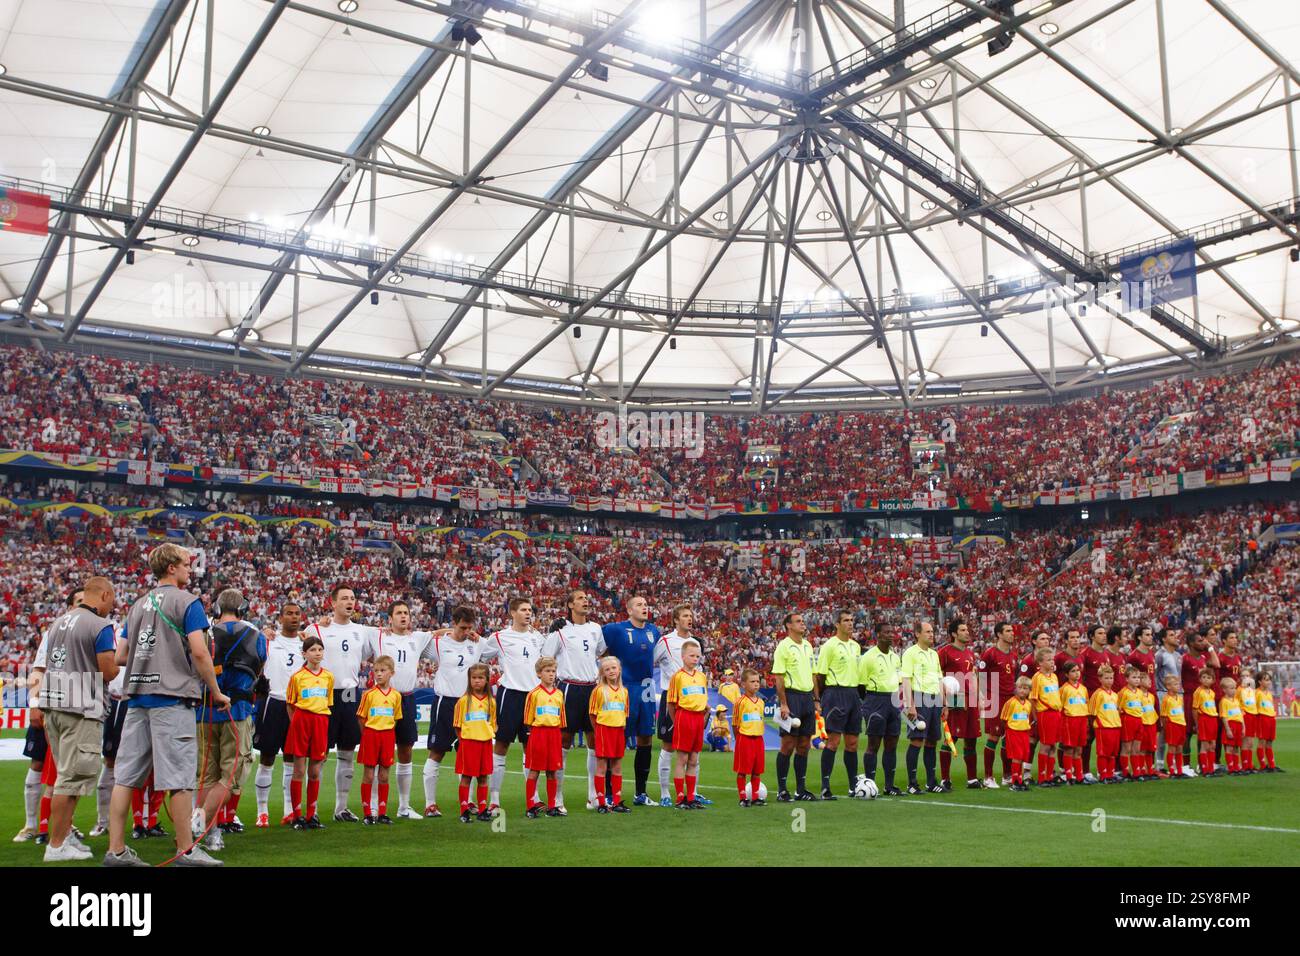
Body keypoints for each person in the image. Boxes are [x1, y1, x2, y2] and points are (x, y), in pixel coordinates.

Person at [103, 543, 228, 868]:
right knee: (180, 779)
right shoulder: (188, 603)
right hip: (171, 699)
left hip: (137, 699)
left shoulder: (138, 604)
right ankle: (185, 851)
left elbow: (120, 656)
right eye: (186, 564)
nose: (190, 569)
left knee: (126, 778)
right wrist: (215, 692)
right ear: (171, 566)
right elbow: (200, 653)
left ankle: (115, 851)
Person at [37, 577, 118, 862]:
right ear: (105, 595)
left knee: (65, 777)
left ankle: (63, 838)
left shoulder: (59, 621)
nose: (113, 606)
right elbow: (108, 671)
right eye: (113, 599)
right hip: (81, 707)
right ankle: (57, 845)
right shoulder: (100, 626)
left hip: (54, 703)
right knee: (70, 781)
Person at [195, 588, 266, 853]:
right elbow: (259, 668)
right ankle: (200, 820)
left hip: (204, 711)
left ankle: (208, 832)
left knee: (206, 775)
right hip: (237, 711)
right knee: (231, 775)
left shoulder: (204, 634)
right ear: (242, 608)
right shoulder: (255, 635)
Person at [16, 587, 82, 844]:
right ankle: (31, 825)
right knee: (37, 763)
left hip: (74, 709)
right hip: (48, 707)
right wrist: (34, 704)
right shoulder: (54, 632)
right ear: (68, 607)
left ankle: (65, 825)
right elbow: (38, 669)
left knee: (66, 772)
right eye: (77, 602)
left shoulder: (89, 631)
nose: (81, 606)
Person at [309, 585, 372, 823]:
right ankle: (311, 810)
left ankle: (341, 808)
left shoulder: (362, 631)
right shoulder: (318, 629)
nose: (350, 602)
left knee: (347, 753)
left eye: (353, 598)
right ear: (332, 602)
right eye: (344, 598)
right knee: (319, 755)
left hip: (350, 695)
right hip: (324, 696)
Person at [363, 601, 431, 819]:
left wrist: (467, 633)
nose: (403, 616)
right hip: (381, 701)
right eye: (399, 613)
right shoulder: (378, 635)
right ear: (389, 618)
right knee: (376, 758)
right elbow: (349, 628)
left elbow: (440, 633)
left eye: (406, 613)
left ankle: (404, 806)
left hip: (407, 699)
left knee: (406, 751)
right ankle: (374, 806)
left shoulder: (418, 638)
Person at [477, 596, 544, 812]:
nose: (528, 613)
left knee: (531, 748)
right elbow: (482, 656)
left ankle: (533, 797)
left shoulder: (538, 638)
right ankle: (494, 798)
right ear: (512, 613)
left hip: (532, 697)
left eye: (530, 610)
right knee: (501, 745)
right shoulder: (500, 637)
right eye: (523, 610)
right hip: (510, 695)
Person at [541, 590, 604, 813]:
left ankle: (594, 796)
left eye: (587, 598)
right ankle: (557, 798)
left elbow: (600, 653)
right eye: (579, 598)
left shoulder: (596, 629)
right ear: (569, 604)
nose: (585, 601)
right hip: (568, 687)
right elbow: (545, 658)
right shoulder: (560, 631)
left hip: (591, 688)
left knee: (595, 741)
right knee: (563, 741)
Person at [600, 594, 662, 807]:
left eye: (646, 604)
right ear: (629, 610)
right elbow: (599, 648)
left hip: (645, 689)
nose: (644, 607)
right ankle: (609, 794)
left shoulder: (654, 631)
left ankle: (640, 793)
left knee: (646, 738)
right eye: (639, 604)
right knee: (617, 740)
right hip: (623, 690)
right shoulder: (615, 630)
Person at [420, 605, 481, 818]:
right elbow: (416, 643)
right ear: (454, 623)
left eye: (469, 628)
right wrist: (439, 631)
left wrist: (476, 635)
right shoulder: (439, 643)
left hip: (469, 704)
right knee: (437, 751)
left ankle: (469, 801)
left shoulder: (476, 644)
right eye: (462, 627)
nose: (466, 632)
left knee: (469, 753)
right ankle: (430, 803)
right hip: (445, 703)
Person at [652, 604, 710, 806]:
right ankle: (666, 793)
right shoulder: (666, 641)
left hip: (693, 699)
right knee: (669, 746)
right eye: (685, 615)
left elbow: (699, 669)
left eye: (691, 615)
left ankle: (693, 792)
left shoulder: (695, 642)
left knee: (694, 751)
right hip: (673, 697)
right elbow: (652, 661)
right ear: (676, 619)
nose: (689, 618)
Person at [253, 602, 305, 827]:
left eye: (297, 614)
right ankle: (262, 811)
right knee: (267, 758)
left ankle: (288, 809)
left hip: (297, 706)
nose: (294, 618)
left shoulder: (306, 642)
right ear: (280, 617)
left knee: (292, 760)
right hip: (272, 703)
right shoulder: (268, 641)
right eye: (289, 614)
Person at [813, 609, 862, 800]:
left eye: (852, 620)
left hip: (853, 694)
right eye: (846, 620)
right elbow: (820, 675)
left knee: (852, 743)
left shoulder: (856, 646)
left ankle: (853, 786)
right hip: (835, 693)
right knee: (833, 742)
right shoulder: (829, 646)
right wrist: (820, 699)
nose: (850, 623)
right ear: (837, 624)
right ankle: (825, 787)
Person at [286, 635, 333, 830]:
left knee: (314, 772)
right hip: (302, 721)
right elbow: (290, 704)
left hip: (321, 722)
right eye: (313, 650)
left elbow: (328, 702)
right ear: (304, 653)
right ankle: (297, 816)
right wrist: (296, 725)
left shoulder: (328, 676)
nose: (317, 653)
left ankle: (311, 815)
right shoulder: (297, 677)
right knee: (299, 770)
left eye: (320, 650)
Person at [771, 610, 818, 802]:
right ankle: (782, 790)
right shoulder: (783, 647)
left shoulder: (807, 646)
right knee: (788, 745)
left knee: (805, 745)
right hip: (791, 697)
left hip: (807, 698)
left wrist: (816, 700)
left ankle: (800, 789)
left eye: (803, 621)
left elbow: (814, 674)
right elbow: (779, 677)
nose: (802, 624)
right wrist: (784, 703)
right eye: (798, 621)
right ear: (789, 626)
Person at [900, 619, 944, 795]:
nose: (931, 634)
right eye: (927, 631)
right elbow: (906, 679)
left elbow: (939, 679)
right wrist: (910, 705)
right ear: (917, 634)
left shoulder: (934, 654)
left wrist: (944, 704)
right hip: (918, 699)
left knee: (932, 741)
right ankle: (912, 783)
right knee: (917, 740)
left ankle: (931, 782)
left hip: (935, 700)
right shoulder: (910, 653)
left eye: (932, 631)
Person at [356, 655, 401, 825]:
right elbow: (361, 717)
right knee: (368, 774)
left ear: (392, 673)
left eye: (383, 671)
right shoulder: (368, 695)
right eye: (376, 671)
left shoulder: (396, 695)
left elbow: (396, 717)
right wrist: (367, 733)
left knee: (384, 775)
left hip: (387, 736)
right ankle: (367, 813)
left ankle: (382, 812)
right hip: (371, 735)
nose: (379, 674)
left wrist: (387, 730)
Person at [859, 622, 902, 796]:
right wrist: (870, 703)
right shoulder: (868, 657)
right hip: (875, 700)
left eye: (892, 631)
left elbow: (899, 682)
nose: (891, 635)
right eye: (886, 632)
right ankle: (870, 784)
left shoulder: (895, 657)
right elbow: (861, 686)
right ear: (877, 635)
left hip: (893, 700)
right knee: (873, 745)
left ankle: (889, 786)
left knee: (892, 744)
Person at [937, 617, 979, 791]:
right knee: (951, 737)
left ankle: (972, 779)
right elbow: (937, 674)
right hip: (956, 698)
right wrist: (944, 698)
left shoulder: (969, 653)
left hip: (971, 698)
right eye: (962, 630)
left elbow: (972, 675)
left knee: (971, 739)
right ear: (954, 633)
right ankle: (945, 779)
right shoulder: (945, 652)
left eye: (967, 629)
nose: (966, 632)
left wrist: (979, 695)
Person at [667, 638, 709, 809]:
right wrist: (676, 721)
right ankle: (679, 797)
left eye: (697, 656)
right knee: (682, 759)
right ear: (683, 656)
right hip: (684, 717)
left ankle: (691, 797)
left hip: (698, 718)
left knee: (693, 759)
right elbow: (671, 703)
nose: (695, 659)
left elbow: (702, 699)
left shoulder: (702, 677)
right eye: (691, 655)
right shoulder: (677, 677)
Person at [522, 657, 565, 818]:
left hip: (554, 734)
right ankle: (530, 806)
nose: (551, 674)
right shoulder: (533, 694)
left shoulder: (559, 694)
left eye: (553, 671)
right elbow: (527, 719)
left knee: (552, 771)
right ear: (539, 674)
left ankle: (552, 806)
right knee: (534, 771)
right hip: (538, 734)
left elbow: (562, 718)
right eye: (547, 671)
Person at [453, 663, 496, 822]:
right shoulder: (464, 701)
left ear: (486, 680)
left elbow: (492, 723)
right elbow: (457, 725)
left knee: (483, 777)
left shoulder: (491, 702)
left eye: (480, 678)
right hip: (468, 744)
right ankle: (464, 810)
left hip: (485, 743)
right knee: (466, 777)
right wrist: (464, 740)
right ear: (469, 680)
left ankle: (483, 810)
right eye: (474, 678)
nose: (477, 681)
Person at [977, 620, 1017, 788]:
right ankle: (988, 777)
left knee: (1008, 738)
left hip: (1010, 699)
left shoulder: (1013, 655)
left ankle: (1007, 775)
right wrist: (982, 697)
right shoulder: (990, 654)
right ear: (999, 634)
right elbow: (981, 676)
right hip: (994, 698)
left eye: (1012, 630)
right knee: (993, 737)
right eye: (1008, 631)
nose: (1012, 633)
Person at [588, 655, 630, 813]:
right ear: (602, 673)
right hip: (604, 730)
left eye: (614, 668)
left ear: (619, 670)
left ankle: (617, 801)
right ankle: (601, 803)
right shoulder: (599, 691)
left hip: (619, 730)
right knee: (602, 766)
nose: (611, 671)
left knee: (617, 766)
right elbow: (592, 715)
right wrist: (598, 731)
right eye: (607, 669)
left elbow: (624, 714)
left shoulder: (624, 691)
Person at [1180, 627, 1219, 777]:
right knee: (1188, 733)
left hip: (1204, 698)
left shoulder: (1203, 658)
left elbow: (1216, 664)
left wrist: (1209, 647)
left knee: (1202, 734)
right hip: (1189, 698)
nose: (1202, 642)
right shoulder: (1185, 659)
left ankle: (1202, 765)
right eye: (1199, 641)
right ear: (1190, 643)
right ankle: (1185, 765)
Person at [1027, 648, 1061, 786]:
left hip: (1056, 714)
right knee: (1045, 746)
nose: (1052, 662)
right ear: (1040, 662)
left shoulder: (1054, 676)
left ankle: (1049, 775)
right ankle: (1042, 778)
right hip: (1045, 714)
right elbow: (1033, 699)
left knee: (1053, 746)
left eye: (1052, 659)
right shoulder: (1037, 677)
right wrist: (1035, 717)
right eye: (1048, 660)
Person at [732, 667, 766, 807]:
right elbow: (735, 724)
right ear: (744, 684)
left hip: (758, 739)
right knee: (743, 770)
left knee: (757, 771)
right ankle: (743, 797)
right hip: (744, 739)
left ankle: (756, 797)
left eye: (757, 681)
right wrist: (738, 739)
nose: (756, 684)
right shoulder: (740, 702)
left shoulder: (761, 702)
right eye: (752, 681)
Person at [1153, 629, 1182, 773]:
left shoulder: (1178, 655)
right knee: (1164, 730)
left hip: (1178, 695)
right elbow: (1154, 674)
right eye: (1171, 635)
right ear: (1164, 639)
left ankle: (1175, 762)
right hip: (1163, 694)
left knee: (1176, 730)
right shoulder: (1159, 655)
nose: (1175, 637)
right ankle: (1159, 763)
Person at [1087, 665, 1121, 784]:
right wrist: (1097, 725)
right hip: (1103, 727)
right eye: (1106, 678)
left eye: (1111, 678)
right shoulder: (1098, 694)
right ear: (1100, 679)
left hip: (1115, 726)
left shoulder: (1115, 695)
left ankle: (1111, 774)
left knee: (1113, 753)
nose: (1109, 681)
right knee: (1103, 753)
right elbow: (1092, 713)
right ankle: (1103, 774)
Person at [1000, 677, 1033, 792]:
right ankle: (1014, 782)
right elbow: (1004, 719)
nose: (1022, 691)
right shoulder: (1011, 703)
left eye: (1025, 688)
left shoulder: (1028, 704)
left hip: (1024, 732)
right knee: (1017, 757)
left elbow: (1027, 718)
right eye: (1020, 688)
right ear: (1016, 688)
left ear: (1029, 690)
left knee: (1024, 756)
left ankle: (1020, 780)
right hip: (1014, 732)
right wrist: (1009, 730)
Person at [1058, 662, 1088, 784]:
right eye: (1073, 671)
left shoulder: (1083, 689)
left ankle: (1079, 776)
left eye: (1078, 670)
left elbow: (1085, 704)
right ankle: (1069, 776)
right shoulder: (1063, 689)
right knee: (1069, 749)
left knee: (1079, 750)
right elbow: (1060, 708)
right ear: (1066, 674)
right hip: (1069, 721)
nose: (1077, 673)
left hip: (1082, 720)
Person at [1118, 665, 1144, 780]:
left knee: (1136, 749)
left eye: (1138, 677)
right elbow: (1119, 708)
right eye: (1134, 677)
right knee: (1126, 748)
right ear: (1127, 679)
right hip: (1128, 720)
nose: (1137, 679)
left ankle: (1136, 772)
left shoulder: (1140, 692)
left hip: (1139, 720)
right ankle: (1125, 772)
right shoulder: (1123, 692)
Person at [1191, 667, 1219, 778]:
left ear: (1213, 680)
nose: (1206, 679)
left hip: (1213, 719)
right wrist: (1197, 723)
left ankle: (1211, 769)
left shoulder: (1212, 692)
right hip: (1204, 719)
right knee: (1205, 745)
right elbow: (1194, 708)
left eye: (1209, 678)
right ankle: (1205, 769)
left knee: (1213, 745)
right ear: (1200, 679)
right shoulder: (1198, 692)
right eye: (1204, 677)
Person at [1159, 674, 1187, 778]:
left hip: (1181, 724)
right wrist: (1167, 728)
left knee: (1179, 748)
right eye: (1175, 684)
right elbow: (1164, 716)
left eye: (1178, 684)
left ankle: (1179, 770)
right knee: (1172, 748)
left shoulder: (1179, 698)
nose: (1178, 686)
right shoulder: (1166, 699)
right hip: (1172, 725)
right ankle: (1172, 770)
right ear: (1168, 686)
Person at [1218, 677, 1245, 775]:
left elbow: (1240, 715)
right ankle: (1231, 768)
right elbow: (1224, 717)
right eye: (1231, 688)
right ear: (1224, 689)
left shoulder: (1237, 701)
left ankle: (1237, 767)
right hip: (1230, 725)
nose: (1234, 690)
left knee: (1236, 747)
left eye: (1234, 688)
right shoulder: (1223, 701)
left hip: (1238, 725)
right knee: (1230, 747)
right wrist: (1228, 729)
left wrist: (1243, 727)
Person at [1255, 672, 1278, 771]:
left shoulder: (1269, 693)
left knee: (1269, 742)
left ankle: (1272, 765)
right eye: (1266, 679)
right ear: (1260, 682)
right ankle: (1263, 765)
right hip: (1262, 718)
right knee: (1262, 742)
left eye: (1269, 679)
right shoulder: (1256, 693)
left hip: (1271, 718)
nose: (1268, 682)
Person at [1138, 673, 1159, 780]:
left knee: (1151, 749)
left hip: (1151, 725)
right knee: (1142, 749)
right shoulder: (1137, 695)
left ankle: (1150, 770)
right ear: (1140, 682)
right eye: (1147, 679)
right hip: (1143, 724)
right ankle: (1141, 770)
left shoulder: (1151, 696)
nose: (1150, 681)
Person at [1239, 674, 1257, 772]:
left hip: (1253, 716)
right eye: (1243, 676)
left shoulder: (1252, 691)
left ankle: (1250, 765)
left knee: (1250, 743)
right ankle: (1245, 765)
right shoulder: (1239, 690)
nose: (1246, 678)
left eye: (1248, 675)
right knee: (1245, 742)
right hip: (1245, 716)